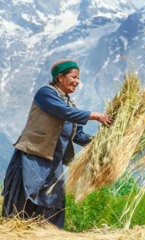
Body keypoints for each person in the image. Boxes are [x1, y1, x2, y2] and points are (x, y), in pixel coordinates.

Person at [1, 59, 113, 228]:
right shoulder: (46, 93)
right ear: (60, 77)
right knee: (24, 200)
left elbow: (78, 135)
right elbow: (64, 112)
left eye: (78, 78)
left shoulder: (71, 104)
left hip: (54, 163)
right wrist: (95, 116)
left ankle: (48, 234)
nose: (77, 82)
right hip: (34, 157)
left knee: (53, 203)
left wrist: (103, 142)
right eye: (74, 77)